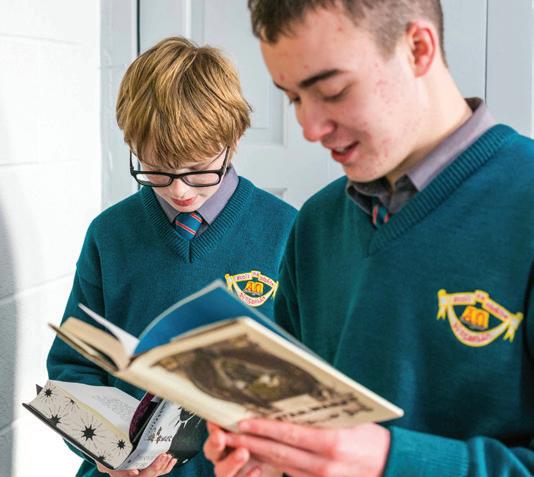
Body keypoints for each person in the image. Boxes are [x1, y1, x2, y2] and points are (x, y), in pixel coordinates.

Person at [204, 1, 534, 475]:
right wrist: (273, 459)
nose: (309, 129)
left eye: (333, 91)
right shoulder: (315, 226)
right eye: (294, 98)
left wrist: (389, 461)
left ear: (417, 49)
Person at [47, 36, 296, 477]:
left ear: (233, 139)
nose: (179, 190)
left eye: (198, 169)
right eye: (156, 169)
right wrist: (105, 454)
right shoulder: (109, 235)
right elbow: (71, 369)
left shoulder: (286, 231)